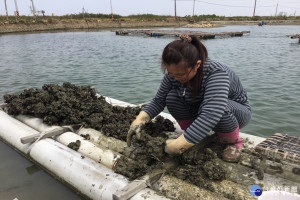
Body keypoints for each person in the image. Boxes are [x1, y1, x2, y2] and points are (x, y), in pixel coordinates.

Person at [127, 35, 251, 162]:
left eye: (180, 74)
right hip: (203, 108)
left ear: (197, 65)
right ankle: (193, 133)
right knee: (171, 98)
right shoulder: (174, 74)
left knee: (220, 106)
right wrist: (140, 120)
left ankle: (232, 142)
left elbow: (212, 112)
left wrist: (178, 145)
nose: (175, 78)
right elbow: (159, 100)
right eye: (171, 73)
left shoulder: (216, 73)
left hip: (236, 113)